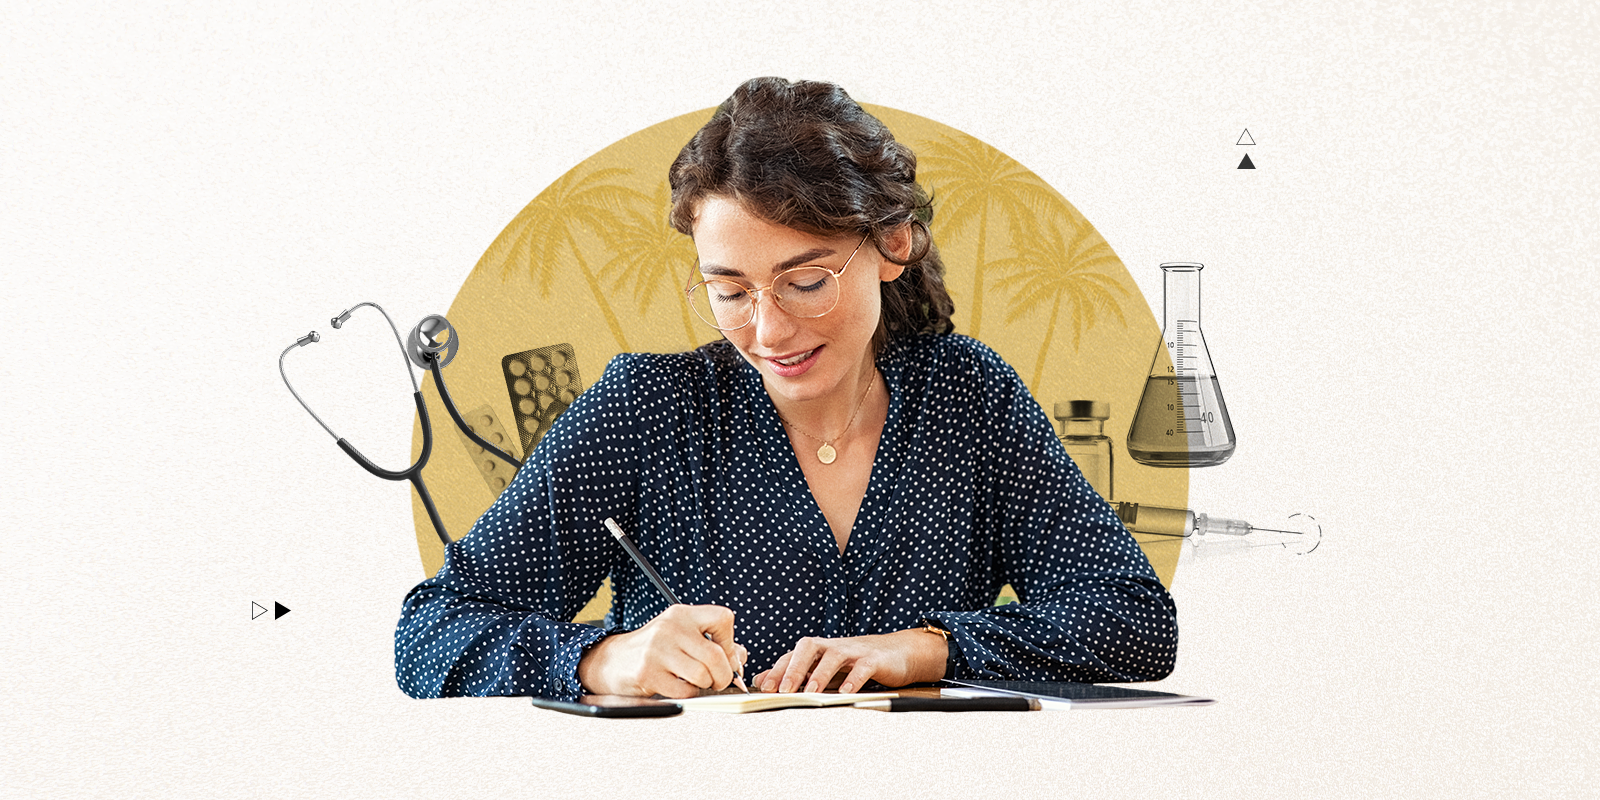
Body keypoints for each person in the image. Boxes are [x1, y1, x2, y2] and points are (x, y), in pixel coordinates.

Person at [394, 77, 1177, 700]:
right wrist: (603, 659)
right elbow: (430, 634)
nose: (769, 332)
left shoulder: (968, 398)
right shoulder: (647, 409)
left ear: (892, 244)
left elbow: (1135, 620)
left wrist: (927, 649)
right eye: (730, 291)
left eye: (805, 282)